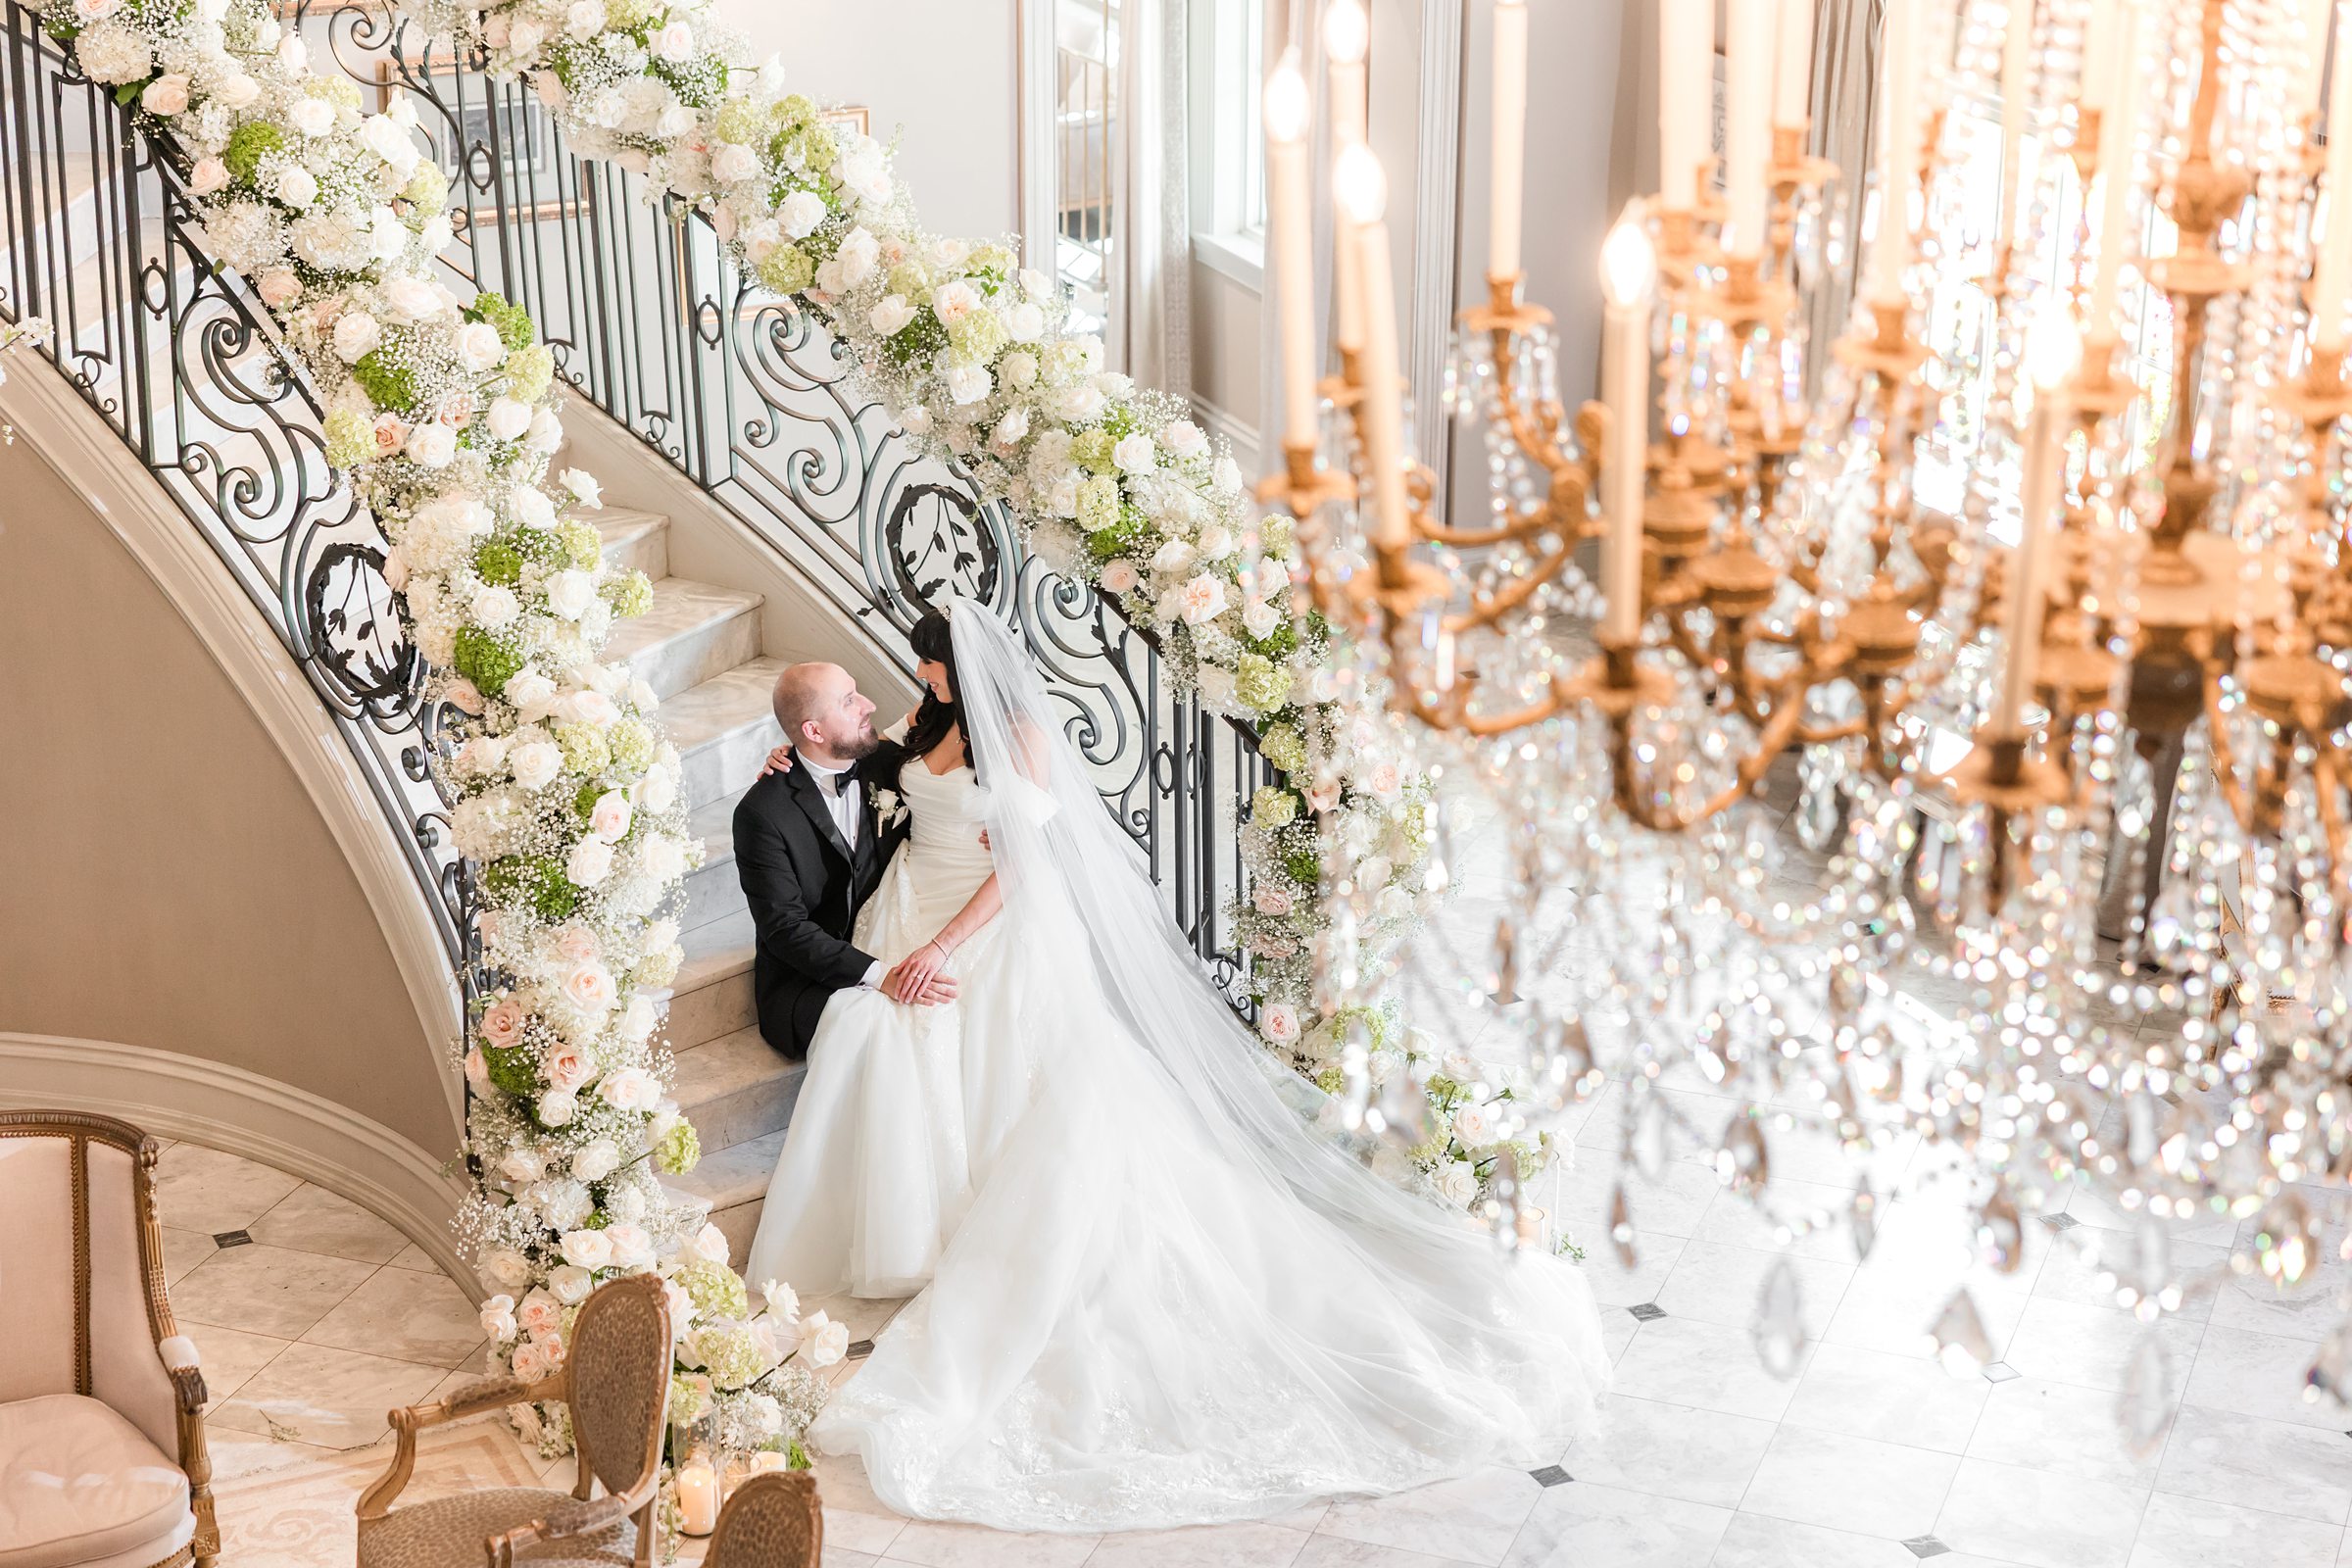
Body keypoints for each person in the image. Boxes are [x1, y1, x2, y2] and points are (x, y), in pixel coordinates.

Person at [745, 599, 1609, 1533]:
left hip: (985, 929)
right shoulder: (923, 727)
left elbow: (1028, 866)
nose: (916, 680)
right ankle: (915, 1216)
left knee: (1009, 1074)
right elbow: (878, 771)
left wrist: (945, 949)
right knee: (898, 1046)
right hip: (906, 910)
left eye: (930, 665)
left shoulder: (1024, 738)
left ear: (960, 669)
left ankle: (986, 1227)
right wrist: (796, 763)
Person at [731, 662, 953, 1064]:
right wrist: (880, 975)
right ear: (813, 732)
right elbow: (785, 930)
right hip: (809, 982)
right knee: (893, 1030)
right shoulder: (763, 813)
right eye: (849, 701)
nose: (868, 705)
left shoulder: (888, 764)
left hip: (890, 935)